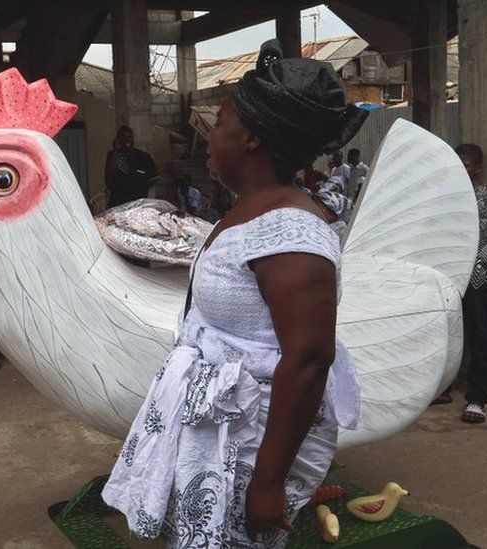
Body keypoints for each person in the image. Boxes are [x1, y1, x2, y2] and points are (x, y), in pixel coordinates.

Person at [102, 40, 366, 546]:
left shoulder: (292, 235)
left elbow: (309, 359)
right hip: (225, 426)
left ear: (250, 138)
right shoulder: (251, 210)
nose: (207, 138)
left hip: (254, 441)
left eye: (218, 124)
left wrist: (267, 484)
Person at [433, 144, 487, 424]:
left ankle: (477, 399)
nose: (461, 169)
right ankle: (443, 388)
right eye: (457, 164)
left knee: (479, 334)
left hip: (480, 276)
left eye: (466, 164)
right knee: (446, 332)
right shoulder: (447, 199)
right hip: (448, 276)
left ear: (477, 168)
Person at [104, 126, 159, 208]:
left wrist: (139, 185)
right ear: (118, 139)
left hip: (137, 202)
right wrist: (115, 150)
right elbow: (108, 179)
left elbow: (154, 177)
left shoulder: (143, 157)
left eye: (129, 136)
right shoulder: (113, 156)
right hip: (118, 202)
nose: (127, 140)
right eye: (124, 137)